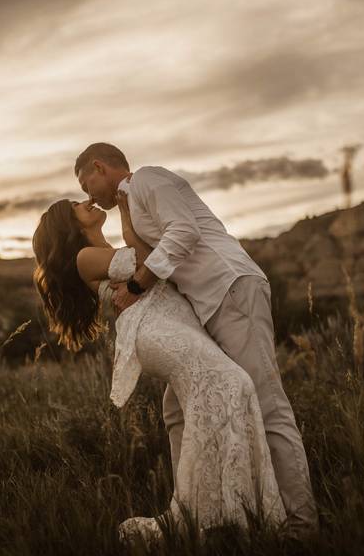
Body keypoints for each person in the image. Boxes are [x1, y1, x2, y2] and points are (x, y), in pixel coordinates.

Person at [74, 143, 319, 538]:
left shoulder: (149, 179)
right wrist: (122, 211)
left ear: (99, 167)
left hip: (231, 289)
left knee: (268, 404)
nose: (89, 195)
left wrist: (137, 285)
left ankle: (300, 526)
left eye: (87, 183)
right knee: (176, 408)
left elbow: (183, 232)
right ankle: (197, 510)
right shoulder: (132, 201)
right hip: (211, 305)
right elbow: (143, 248)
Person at [32, 191, 286, 544]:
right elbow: (148, 256)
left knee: (217, 395)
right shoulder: (85, 257)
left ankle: (221, 511)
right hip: (152, 330)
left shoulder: (101, 250)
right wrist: (124, 210)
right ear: (68, 224)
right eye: (75, 205)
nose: (85, 201)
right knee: (232, 382)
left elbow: (148, 260)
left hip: (173, 324)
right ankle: (218, 514)